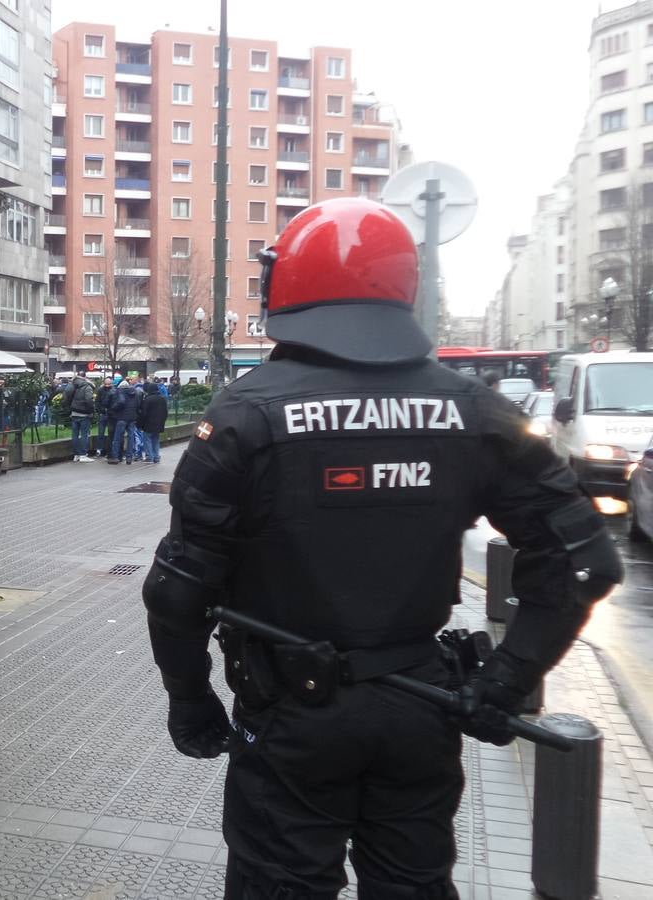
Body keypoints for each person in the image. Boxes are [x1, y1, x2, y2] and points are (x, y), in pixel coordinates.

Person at [141, 198, 623, 899]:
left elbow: (178, 591)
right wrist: (507, 681)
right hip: (422, 706)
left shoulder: (245, 417)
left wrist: (190, 702)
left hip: (289, 718)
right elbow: (585, 563)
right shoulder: (477, 411)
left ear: (287, 285)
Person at [107, 376, 141, 465]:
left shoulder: (120, 392)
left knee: (117, 438)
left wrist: (113, 408)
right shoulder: (135, 392)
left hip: (122, 417)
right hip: (132, 418)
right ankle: (129, 458)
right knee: (131, 438)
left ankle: (115, 457)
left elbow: (121, 402)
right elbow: (138, 405)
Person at [137, 381, 167, 463]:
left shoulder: (148, 399)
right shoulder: (162, 399)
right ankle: (156, 457)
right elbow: (165, 412)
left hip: (148, 423)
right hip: (159, 424)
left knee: (147, 440)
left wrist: (140, 423)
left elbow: (144, 413)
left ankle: (150, 457)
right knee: (156, 440)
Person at [67, 375, 95, 461]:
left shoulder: (74, 386)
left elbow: (68, 398)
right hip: (84, 414)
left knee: (75, 435)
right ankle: (83, 454)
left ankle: (76, 455)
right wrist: (91, 411)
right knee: (84, 434)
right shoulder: (87, 387)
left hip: (74, 412)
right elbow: (89, 400)